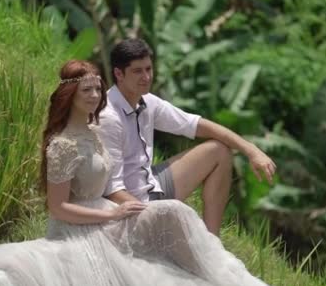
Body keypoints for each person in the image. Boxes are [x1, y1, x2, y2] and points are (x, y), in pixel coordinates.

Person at [0, 60, 271, 286]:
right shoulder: (62, 145)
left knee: (175, 214)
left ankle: (213, 257)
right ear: (70, 96)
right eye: (85, 91)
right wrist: (114, 214)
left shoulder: (93, 131)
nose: (93, 95)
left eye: (96, 89)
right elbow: (57, 207)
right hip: (83, 226)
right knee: (165, 237)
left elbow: (192, 124)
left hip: (109, 210)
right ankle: (208, 261)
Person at [99, 38, 276, 235]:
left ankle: (212, 241)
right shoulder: (108, 117)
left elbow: (195, 125)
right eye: (137, 71)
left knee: (219, 151)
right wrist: (156, 216)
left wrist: (251, 150)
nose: (146, 77)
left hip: (152, 183)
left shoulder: (147, 102)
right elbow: (112, 190)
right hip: (131, 203)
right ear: (118, 73)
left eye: (149, 69)